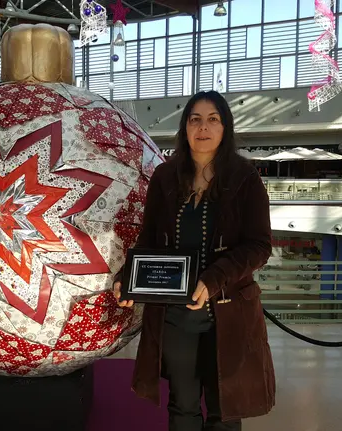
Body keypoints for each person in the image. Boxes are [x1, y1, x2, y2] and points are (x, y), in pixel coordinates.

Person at [113, 91, 276, 431]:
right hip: (175, 316)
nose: (203, 127)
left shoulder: (245, 179)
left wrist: (215, 277)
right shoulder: (164, 178)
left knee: (224, 408)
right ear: (185, 127)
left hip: (228, 313)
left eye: (213, 119)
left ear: (225, 127)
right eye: (195, 119)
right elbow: (149, 239)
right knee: (183, 405)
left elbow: (259, 246)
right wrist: (129, 276)